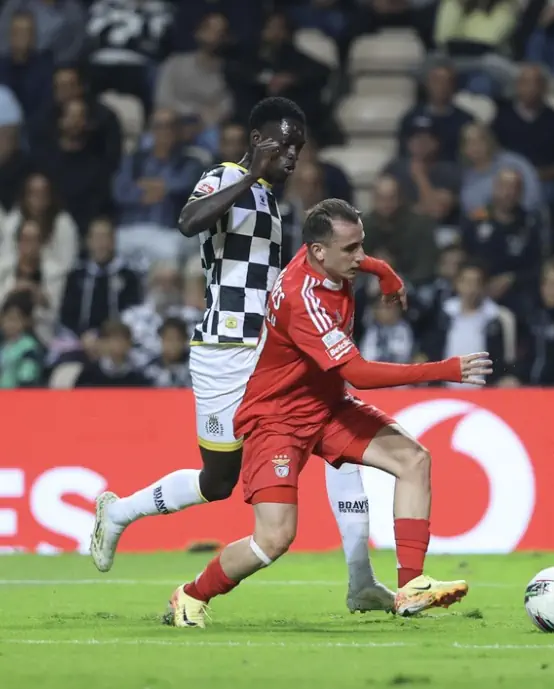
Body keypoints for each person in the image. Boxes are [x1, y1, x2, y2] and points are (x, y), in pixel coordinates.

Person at [89, 97, 411, 616]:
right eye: (282, 144)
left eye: (298, 148)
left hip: (270, 353)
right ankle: (120, 513)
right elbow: (189, 221)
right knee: (218, 482)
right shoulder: (225, 177)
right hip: (224, 350)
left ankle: (361, 580)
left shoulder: (274, 204)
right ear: (257, 138)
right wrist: (249, 175)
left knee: (337, 432)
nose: (291, 156)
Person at [164, 199, 492, 627]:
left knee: (413, 460)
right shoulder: (304, 299)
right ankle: (190, 595)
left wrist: (385, 273)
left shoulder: (323, 257)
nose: (360, 257)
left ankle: (411, 588)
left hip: (326, 407)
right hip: (277, 419)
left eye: (362, 246)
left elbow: (356, 257)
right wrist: (445, 370)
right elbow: (357, 372)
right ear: (319, 252)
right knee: (274, 538)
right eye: (351, 249)